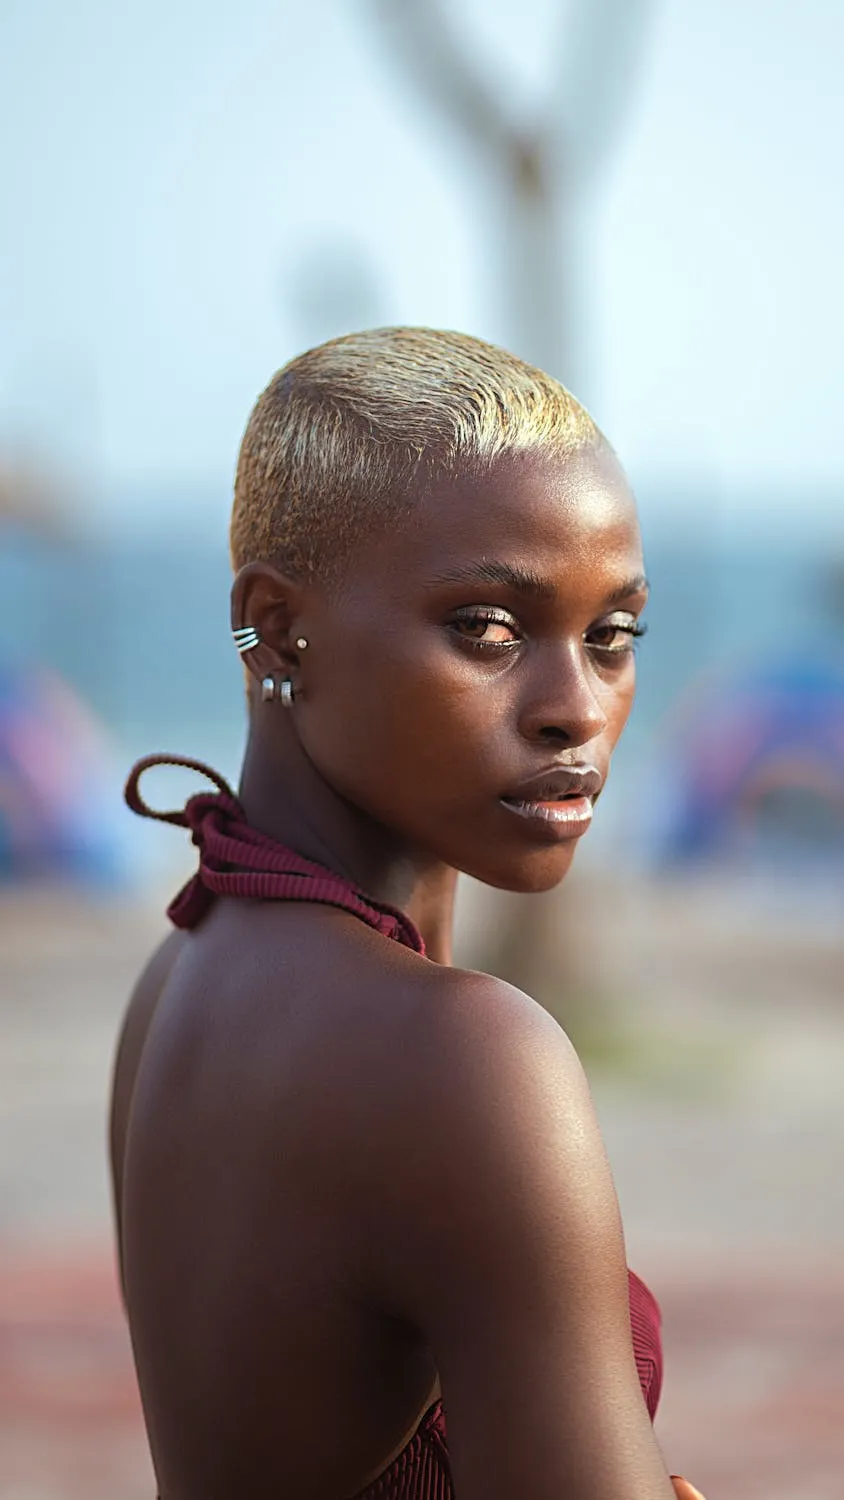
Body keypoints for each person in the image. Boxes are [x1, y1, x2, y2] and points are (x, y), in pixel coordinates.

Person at [110, 328, 705, 1500]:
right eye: (488, 628)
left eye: (612, 636)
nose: (573, 708)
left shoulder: (180, 974)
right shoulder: (462, 1057)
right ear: (278, 629)